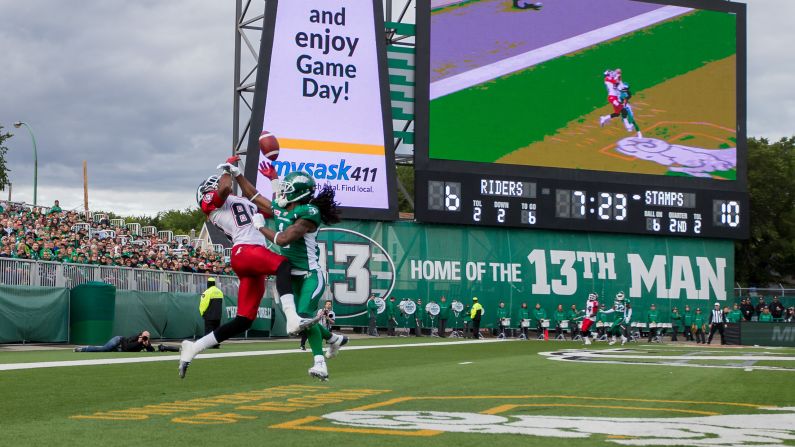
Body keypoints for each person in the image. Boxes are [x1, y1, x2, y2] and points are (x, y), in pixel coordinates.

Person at [178, 164, 310, 379]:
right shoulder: (212, 204)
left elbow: (273, 209)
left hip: (249, 259)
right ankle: (292, 317)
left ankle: (194, 347)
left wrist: (273, 181)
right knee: (283, 265)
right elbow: (224, 190)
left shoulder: (241, 203)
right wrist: (228, 171)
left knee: (244, 319)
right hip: (247, 250)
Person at [244, 163, 347, 381]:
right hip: (291, 276)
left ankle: (320, 363)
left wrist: (260, 227)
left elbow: (283, 238)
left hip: (310, 275)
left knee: (302, 320)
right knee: (298, 322)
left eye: (288, 188)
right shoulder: (287, 207)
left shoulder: (309, 212)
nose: (283, 191)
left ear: (299, 194)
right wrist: (236, 175)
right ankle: (332, 338)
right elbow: (255, 196)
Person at [199, 277, 224, 348]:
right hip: (218, 315)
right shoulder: (220, 292)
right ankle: (216, 344)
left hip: (209, 315)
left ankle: (208, 344)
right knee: (217, 331)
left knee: (209, 331)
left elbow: (203, 304)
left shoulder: (206, 292)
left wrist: (202, 313)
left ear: (208, 284)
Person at [75, 331, 155, 352]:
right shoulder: (136, 337)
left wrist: (147, 345)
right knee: (104, 349)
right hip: (118, 341)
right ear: (141, 335)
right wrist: (138, 342)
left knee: (103, 348)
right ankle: (82, 349)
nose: (144, 338)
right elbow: (128, 347)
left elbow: (152, 351)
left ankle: (85, 348)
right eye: (144, 336)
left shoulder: (146, 342)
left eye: (146, 337)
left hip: (120, 349)